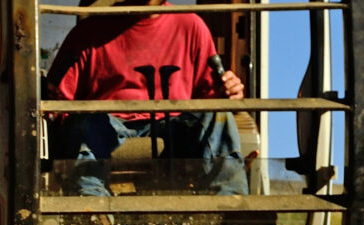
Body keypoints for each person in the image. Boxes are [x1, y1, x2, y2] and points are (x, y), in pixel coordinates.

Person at [45, 0, 247, 199]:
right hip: (107, 125)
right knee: (84, 124)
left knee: (219, 116)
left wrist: (229, 92)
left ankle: (229, 207)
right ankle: (92, 209)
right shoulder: (89, 32)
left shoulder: (191, 25)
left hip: (174, 124)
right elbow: (59, 100)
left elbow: (209, 97)